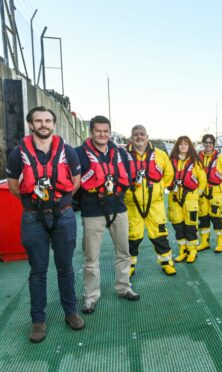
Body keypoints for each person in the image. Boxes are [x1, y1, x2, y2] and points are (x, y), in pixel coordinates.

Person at [6, 106, 84, 343]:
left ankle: (70, 312)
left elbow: (76, 182)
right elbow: (13, 186)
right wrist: (36, 205)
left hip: (64, 215)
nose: (43, 124)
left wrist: (56, 202)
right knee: (37, 271)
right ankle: (38, 320)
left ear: (54, 124)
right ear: (31, 124)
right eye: (38, 121)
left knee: (66, 268)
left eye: (48, 120)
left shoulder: (68, 151)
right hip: (33, 218)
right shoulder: (17, 154)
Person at [75, 115, 139, 314]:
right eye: (98, 131)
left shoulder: (120, 153)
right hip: (93, 212)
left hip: (118, 209)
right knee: (91, 257)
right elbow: (74, 184)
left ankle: (124, 287)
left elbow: (129, 177)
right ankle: (91, 297)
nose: (102, 135)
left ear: (110, 132)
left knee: (124, 252)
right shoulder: (79, 153)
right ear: (91, 132)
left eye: (105, 131)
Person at [125, 125, 175, 276]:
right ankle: (129, 266)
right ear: (131, 137)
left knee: (160, 235)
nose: (139, 137)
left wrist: (159, 189)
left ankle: (166, 262)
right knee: (132, 236)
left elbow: (169, 174)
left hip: (155, 204)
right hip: (132, 205)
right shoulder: (122, 155)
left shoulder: (160, 155)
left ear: (147, 136)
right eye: (136, 135)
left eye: (142, 134)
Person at [168, 136, 207, 263]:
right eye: (180, 144)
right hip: (174, 198)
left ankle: (192, 252)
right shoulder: (170, 161)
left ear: (189, 146)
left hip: (190, 198)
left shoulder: (195, 162)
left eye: (186, 144)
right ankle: (182, 251)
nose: (183, 146)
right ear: (177, 146)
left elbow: (202, 179)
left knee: (190, 227)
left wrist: (198, 193)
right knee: (178, 226)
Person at [198, 134, 222, 253]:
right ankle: (204, 242)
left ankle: (220, 242)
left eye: (210, 142)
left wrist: (220, 188)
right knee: (203, 216)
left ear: (213, 144)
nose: (208, 144)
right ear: (203, 143)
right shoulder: (198, 157)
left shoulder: (221, 158)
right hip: (202, 191)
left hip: (216, 191)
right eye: (205, 142)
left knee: (217, 216)